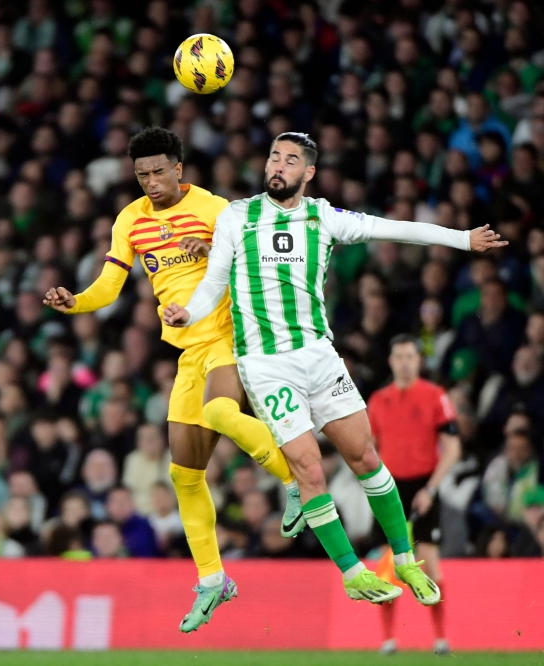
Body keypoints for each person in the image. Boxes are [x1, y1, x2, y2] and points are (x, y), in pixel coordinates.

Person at [165, 132, 505, 605]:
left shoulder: (322, 216)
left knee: (365, 457)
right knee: (309, 468)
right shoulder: (237, 216)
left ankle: (405, 560)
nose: (277, 165)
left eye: (290, 160)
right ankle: (352, 572)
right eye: (274, 157)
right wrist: (189, 312)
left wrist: (462, 239)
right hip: (266, 366)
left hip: (320, 357)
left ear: (308, 172)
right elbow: (214, 280)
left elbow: (392, 228)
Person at [44, 127, 302, 632]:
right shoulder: (130, 219)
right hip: (187, 352)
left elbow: (257, 263)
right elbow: (110, 285)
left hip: (229, 335)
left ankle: (297, 481)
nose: (151, 181)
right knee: (184, 475)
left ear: (178, 169)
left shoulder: (215, 209)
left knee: (220, 411)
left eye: (159, 171)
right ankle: (213, 580)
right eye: (142, 174)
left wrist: (211, 252)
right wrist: (76, 302)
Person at [369, 335, 460, 655]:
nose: (405, 363)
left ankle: (441, 638)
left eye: (410, 356)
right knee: (388, 568)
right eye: (399, 356)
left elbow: (453, 447)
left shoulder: (435, 396)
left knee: (430, 568)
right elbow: (368, 449)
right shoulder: (378, 401)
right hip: (388, 490)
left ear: (419, 360)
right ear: (391, 361)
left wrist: (431, 489)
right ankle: (388, 640)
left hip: (424, 487)